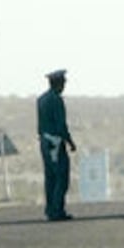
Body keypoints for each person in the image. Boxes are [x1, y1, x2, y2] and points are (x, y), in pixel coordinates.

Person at [37, 69, 76, 221]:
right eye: (63, 82)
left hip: (44, 142)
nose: (64, 85)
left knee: (50, 177)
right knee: (61, 177)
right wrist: (70, 142)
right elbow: (61, 126)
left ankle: (50, 209)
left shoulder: (41, 100)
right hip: (55, 143)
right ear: (58, 83)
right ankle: (56, 210)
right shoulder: (56, 100)